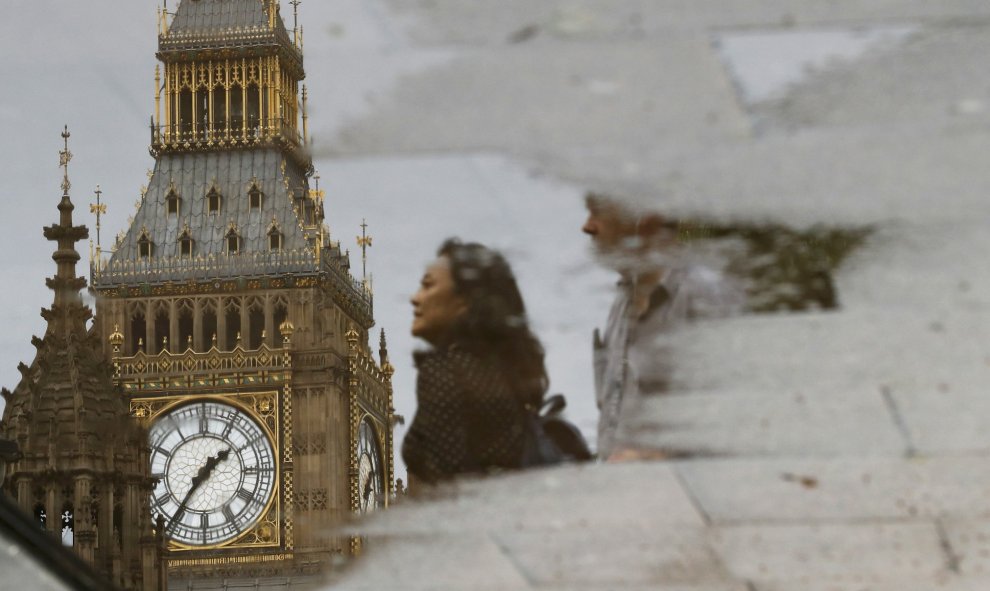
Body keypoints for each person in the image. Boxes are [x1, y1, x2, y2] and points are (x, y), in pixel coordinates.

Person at [583, 193, 744, 460]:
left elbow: (737, 420)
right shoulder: (623, 301)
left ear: (646, 219)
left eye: (597, 212)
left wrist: (650, 456)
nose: (587, 226)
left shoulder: (707, 297)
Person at [402, 239, 549, 485]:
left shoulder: (444, 369)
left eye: (428, 286)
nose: (415, 298)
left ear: (465, 301)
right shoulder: (501, 370)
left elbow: (449, 488)